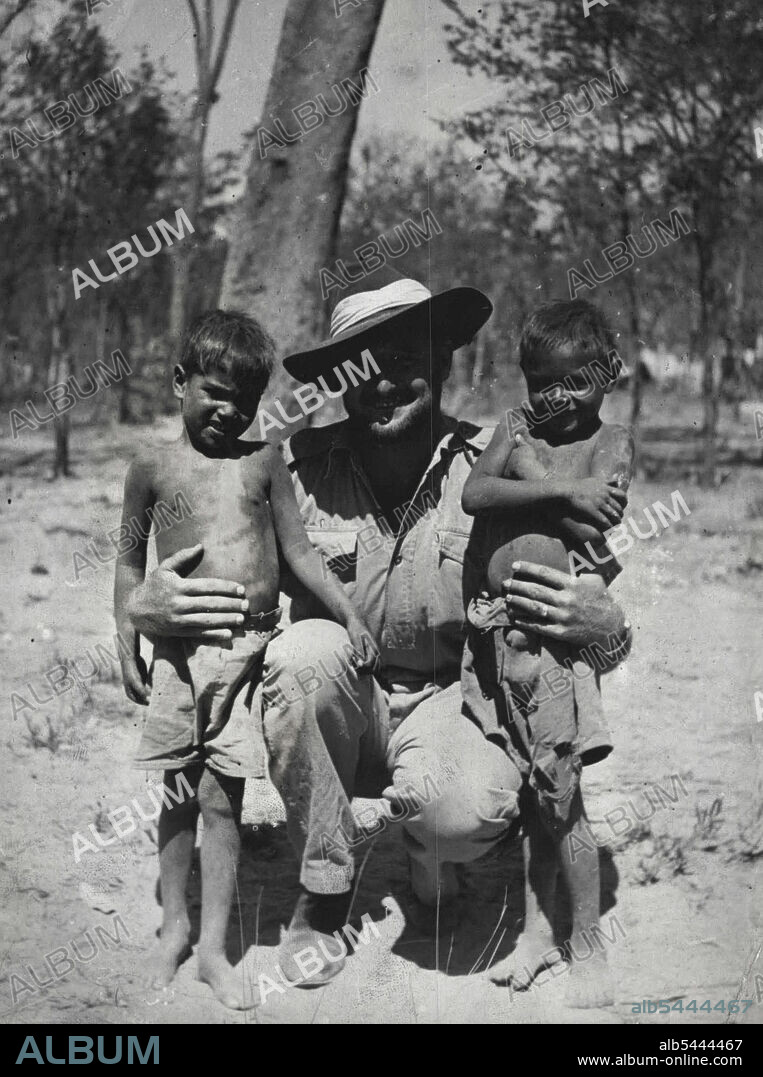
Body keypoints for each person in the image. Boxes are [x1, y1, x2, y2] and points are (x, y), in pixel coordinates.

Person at [122, 266, 632, 990]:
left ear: (440, 364)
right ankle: (324, 895)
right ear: (337, 381)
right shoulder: (289, 469)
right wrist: (146, 607)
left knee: (460, 810)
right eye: (363, 371)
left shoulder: (505, 462)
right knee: (302, 656)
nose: (384, 385)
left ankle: (430, 855)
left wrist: (603, 620)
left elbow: (602, 617)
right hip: (341, 705)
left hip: (452, 705)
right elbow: (193, 553)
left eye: (404, 364)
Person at [113, 310, 377, 1009]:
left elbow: (298, 552)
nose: (229, 412)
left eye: (245, 398)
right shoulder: (150, 465)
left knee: (220, 796)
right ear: (178, 383)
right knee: (174, 790)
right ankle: (174, 925)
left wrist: (348, 609)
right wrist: (124, 636)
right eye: (214, 392)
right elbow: (126, 560)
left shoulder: (264, 461)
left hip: (245, 647)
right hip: (175, 651)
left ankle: (214, 948)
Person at [460, 299, 635, 1007]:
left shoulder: (610, 440)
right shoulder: (516, 430)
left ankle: (586, 940)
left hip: (558, 650)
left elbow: (596, 526)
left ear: (609, 373)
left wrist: (533, 480)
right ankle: (537, 932)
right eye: (539, 383)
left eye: (574, 381)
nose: (553, 397)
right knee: (537, 796)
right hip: (502, 639)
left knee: (564, 799)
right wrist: (548, 473)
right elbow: (475, 493)